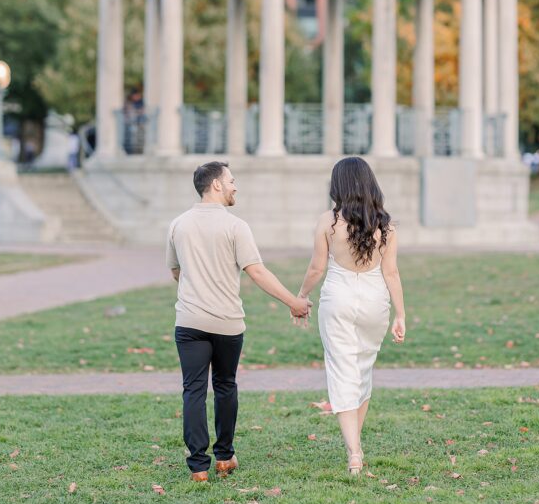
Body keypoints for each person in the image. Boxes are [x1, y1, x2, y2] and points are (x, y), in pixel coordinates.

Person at [166, 160, 311, 483]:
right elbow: (256, 271)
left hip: (189, 321)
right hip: (227, 324)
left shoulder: (178, 225)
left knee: (193, 390)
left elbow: (176, 271)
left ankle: (198, 466)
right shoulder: (236, 226)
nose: (235, 186)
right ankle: (225, 456)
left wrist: (195, 288)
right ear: (215, 185)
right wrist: (294, 302)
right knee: (225, 385)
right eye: (231, 180)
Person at [295, 156, 406, 475]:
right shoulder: (386, 225)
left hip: (338, 299)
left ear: (337, 185)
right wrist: (401, 315)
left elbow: (317, 267)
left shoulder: (327, 222)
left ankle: (354, 452)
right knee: (362, 369)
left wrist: (301, 296)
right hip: (375, 302)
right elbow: (392, 272)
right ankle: (356, 445)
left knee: (342, 371)